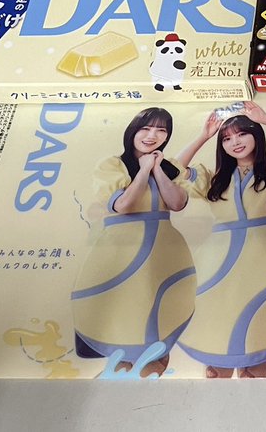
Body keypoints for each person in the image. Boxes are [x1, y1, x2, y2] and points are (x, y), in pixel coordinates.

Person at [172, 102, 266, 379]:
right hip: (223, 256)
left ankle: (253, 378)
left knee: (263, 324)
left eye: (242, 134)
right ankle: (218, 376)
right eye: (227, 138)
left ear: (256, 136)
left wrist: (265, 118)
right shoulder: (213, 178)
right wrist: (204, 136)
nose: (234, 142)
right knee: (219, 317)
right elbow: (174, 166)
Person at [70, 107, 197, 378]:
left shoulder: (171, 167)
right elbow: (123, 205)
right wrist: (143, 170)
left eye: (161, 130)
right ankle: (118, 380)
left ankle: (139, 380)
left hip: (163, 251)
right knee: (124, 321)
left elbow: (177, 203)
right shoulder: (112, 165)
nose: (153, 135)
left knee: (157, 324)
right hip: (121, 249)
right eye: (146, 128)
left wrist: (158, 169)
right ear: (133, 131)